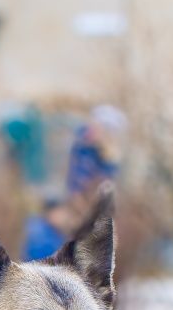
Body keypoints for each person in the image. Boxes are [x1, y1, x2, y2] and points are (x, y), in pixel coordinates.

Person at [22, 104, 126, 260]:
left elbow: (99, 196)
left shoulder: (105, 163)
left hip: (79, 216)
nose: (92, 130)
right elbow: (64, 184)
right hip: (62, 210)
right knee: (42, 240)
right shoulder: (79, 148)